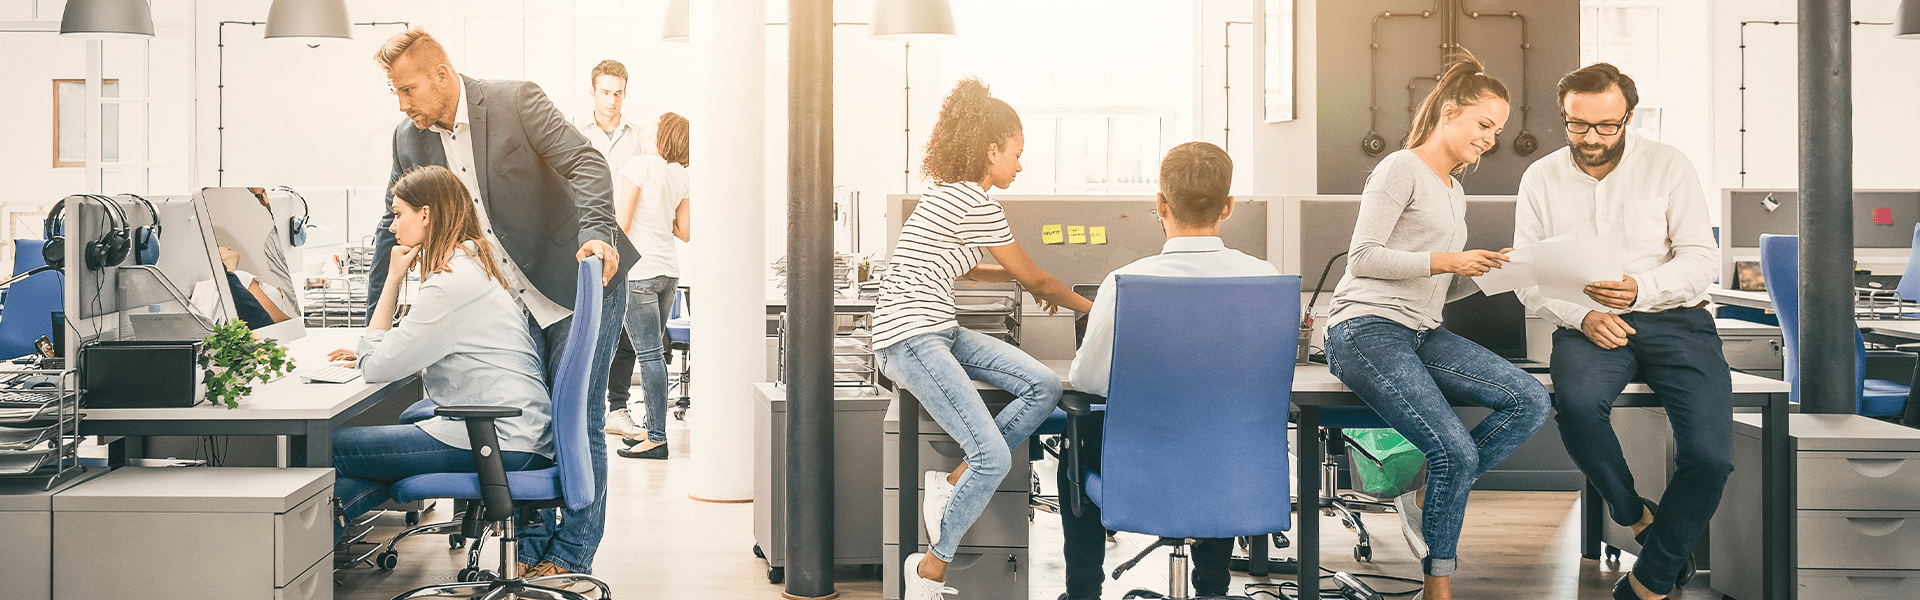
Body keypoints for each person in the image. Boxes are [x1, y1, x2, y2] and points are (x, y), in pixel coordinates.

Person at [371, 27, 637, 578]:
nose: (403, 104)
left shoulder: (515, 100)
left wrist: (598, 233)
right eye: (395, 92)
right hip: (509, 305)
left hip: (575, 282)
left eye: (409, 89)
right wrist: (377, 320)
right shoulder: (409, 138)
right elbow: (389, 228)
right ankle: (530, 553)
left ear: (442, 76)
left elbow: (586, 163)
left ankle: (569, 557)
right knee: (530, 425)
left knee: (579, 421)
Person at [1321, 53, 1551, 600]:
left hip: (1421, 329)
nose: (1491, 139)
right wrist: (1451, 259)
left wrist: (1491, 271)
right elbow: (1364, 258)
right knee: (1457, 451)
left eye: (1497, 129)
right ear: (1451, 113)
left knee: (1531, 401)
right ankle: (1438, 584)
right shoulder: (1400, 168)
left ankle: (1435, 483)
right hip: (1366, 327)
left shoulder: (1453, 189)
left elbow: (1440, 286)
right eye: (1484, 124)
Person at [1515, 63, 1726, 600]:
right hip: (1587, 322)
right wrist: (1581, 315)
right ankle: (1632, 512)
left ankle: (1650, 580)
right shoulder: (1541, 176)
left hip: (1676, 319)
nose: (1591, 139)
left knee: (1709, 457)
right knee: (1578, 407)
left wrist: (1641, 289)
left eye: (1605, 127)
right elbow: (1528, 275)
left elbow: (1703, 259)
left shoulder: (1668, 166)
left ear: (1628, 117)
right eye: (1577, 125)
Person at [881, 77, 1092, 600]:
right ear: (990, 148)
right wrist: (1097, 308)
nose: (1020, 165)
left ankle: (952, 483)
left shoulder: (946, 197)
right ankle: (931, 567)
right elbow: (1037, 279)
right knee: (993, 457)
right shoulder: (975, 201)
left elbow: (971, 269)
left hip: (940, 330)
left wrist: (1022, 279)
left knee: (1044, 385)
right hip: (910, 337)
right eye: (1017, 154)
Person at [1059, 141, 1272, 600]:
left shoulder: (1123, 283)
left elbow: (1087, 382)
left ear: (1160, 204)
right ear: (1228, 207)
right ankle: (1213, 589)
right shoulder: (1264, 278)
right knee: (1218, 430)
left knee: (1078, 436)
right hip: (1229, 471)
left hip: (1140, 477)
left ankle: (1082, 593)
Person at [329, 166, 553, 545]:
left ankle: (302, 551)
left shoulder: (450, 285)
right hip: (517, 435)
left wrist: (393, 278)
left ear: (427, 215)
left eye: (399, 214)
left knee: (330, 447)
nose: (391, 227)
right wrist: (380, 350)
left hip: (499, 440)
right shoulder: (473, 267)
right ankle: (327, 532)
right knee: (371, 461)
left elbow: (376, 367)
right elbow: (414, 350)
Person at [574, 59, 653, 440]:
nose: (612, 100)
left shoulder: (639, 137)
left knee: (625, 332)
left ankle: (617, 407)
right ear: (593, 91)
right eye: (605, 92)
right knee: (583, 323)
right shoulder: (575, 133)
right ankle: (580, 404)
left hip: (628, 241)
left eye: (618, 92)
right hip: (586, 240)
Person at [612, 112, 691, 460]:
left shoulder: (638, 165)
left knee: (649, 357)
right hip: (669, 273)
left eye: (657, 122)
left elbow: (621, 225)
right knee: (653, 355)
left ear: (663, 132)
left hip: (641, 274)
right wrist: (660, 214)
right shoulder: (679, 175)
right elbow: (684, 231)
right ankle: (651, 429)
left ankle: (656, 437)